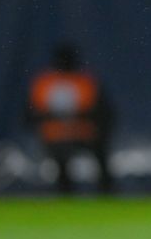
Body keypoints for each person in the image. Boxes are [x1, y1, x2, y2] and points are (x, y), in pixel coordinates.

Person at [26, 44, 114, 194]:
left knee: (99, 152)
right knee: (61, 159)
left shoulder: (84, 81)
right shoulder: (45, 82)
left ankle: (106, 191)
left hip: (82, 134)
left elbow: (103, 113)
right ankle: (66, 194)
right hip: (56, 136)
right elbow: (30, 114)